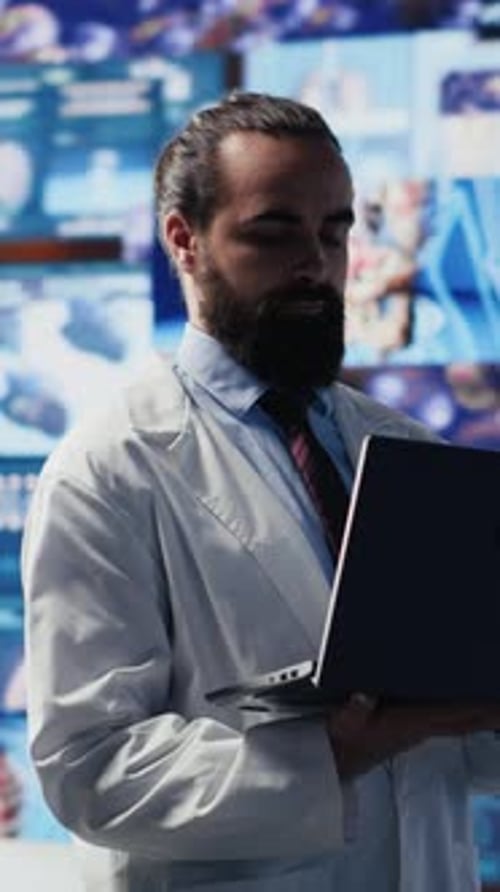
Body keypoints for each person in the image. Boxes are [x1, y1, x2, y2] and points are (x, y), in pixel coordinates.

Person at [22, 91, 500, 892]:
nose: (315, 262)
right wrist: (343, 750)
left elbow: (467, 749)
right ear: (185, 241)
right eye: (274, 232)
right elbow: (89, 768)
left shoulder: (410, 450)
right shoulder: (110, 467)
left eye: (335, 231)